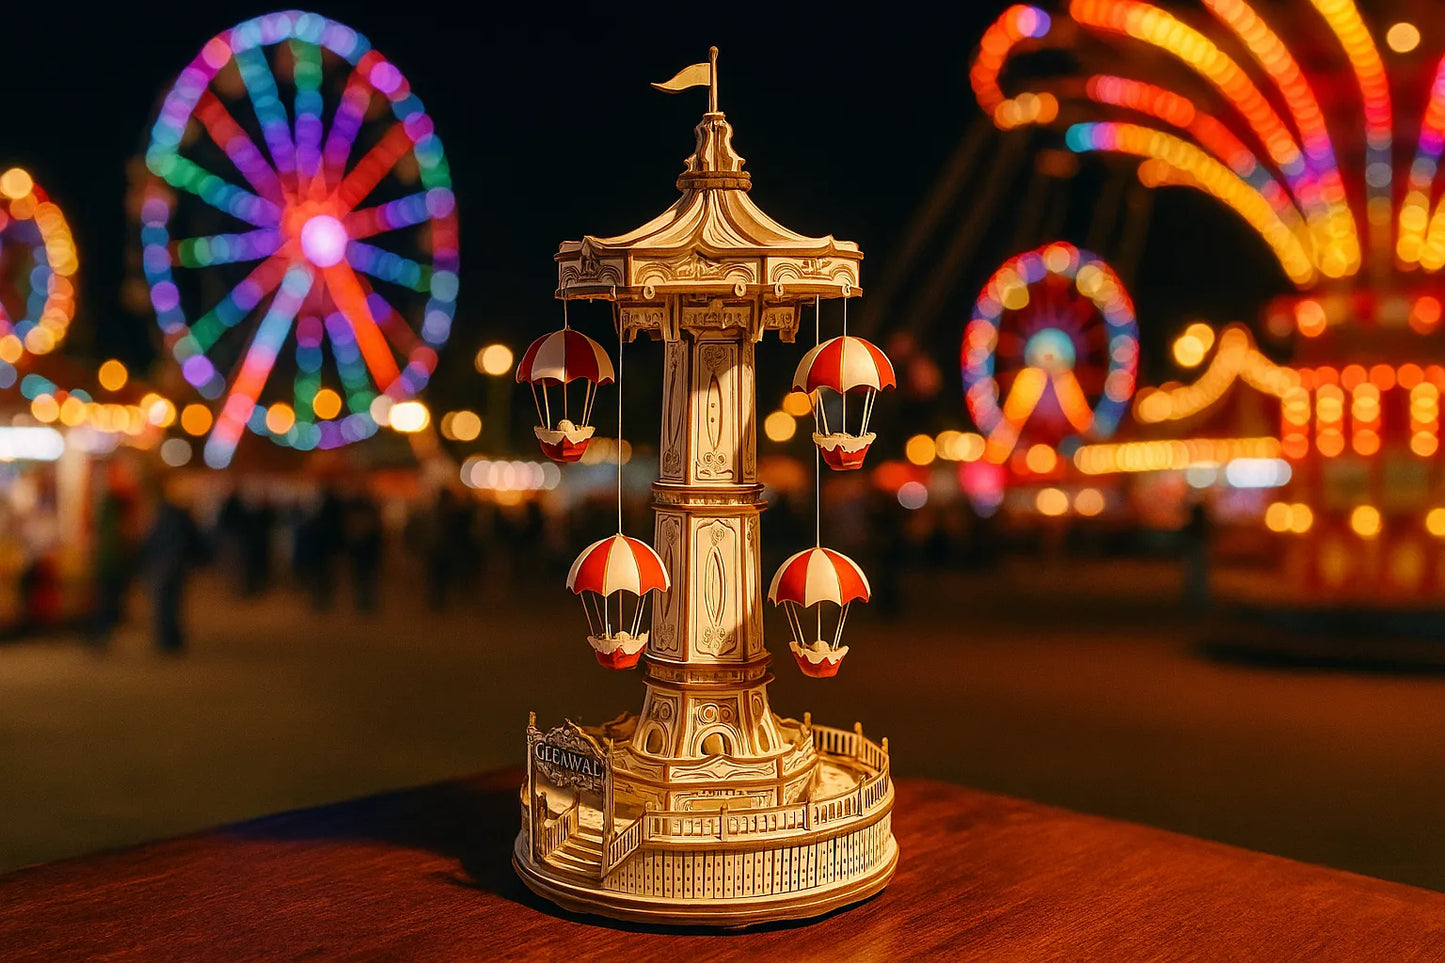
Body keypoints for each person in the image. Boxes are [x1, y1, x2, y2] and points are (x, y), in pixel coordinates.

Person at [142, 481, 205, 654]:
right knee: (172, 602)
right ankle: (171, 637)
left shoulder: (160, 516)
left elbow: (151, 542)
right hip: (175, 563)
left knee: (163, 602)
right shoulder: (177, 515)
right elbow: (193, 538)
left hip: (164, 563)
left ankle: (166, 638)